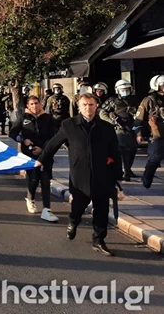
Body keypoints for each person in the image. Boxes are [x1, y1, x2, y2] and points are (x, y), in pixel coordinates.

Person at [36, 93, 122, 256]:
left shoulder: (106, 127)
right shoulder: (69, 125)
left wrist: (118, 174)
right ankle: (73, 221)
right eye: (84, 105)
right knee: (78, 206)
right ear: (79, 107)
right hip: (79, 175)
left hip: (102, 175)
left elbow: (114, 151)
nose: (88, 108)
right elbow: (54, 143)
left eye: (91, 105)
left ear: (96, 106)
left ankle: (98, 240)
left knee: (102, 209)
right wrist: (41, 160)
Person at [9, 96, 58, 222]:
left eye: (36, 103)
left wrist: (43, 149)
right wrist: (23, 140)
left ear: (40, 104)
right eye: (32, 104)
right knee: (33, 179)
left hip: (45, 154)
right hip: (29, 155)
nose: (35, 106)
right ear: (28, 106)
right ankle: (30, 199)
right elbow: (12, 133)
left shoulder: (48, 118)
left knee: (46, 181)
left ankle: (47, 209)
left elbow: (54, 136)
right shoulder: (24, 118)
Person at [100, 80, 139, 181]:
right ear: (118, 90)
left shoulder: (133, 101)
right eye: (123, 90)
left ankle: (128, 169)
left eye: (127, 90)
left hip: (131, 128)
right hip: (119, 129)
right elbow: (102, 112)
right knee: (123, 150)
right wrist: (111, 121)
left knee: (133, 149)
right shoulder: (112, 101)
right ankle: (125, 171)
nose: (125, 91)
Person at [134, 75, 164, 189]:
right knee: (154, 159)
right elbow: (139, 118)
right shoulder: (149, 100)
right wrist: (139, 133)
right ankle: (147, 176)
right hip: (156, 135)